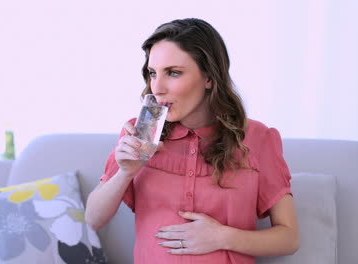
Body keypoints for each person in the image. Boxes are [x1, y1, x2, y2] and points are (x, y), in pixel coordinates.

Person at [86, 18, 300, 263]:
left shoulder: (258, 138)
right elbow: (93, 218)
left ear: (209, 77)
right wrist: (125, 173)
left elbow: (289, 238)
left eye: (173, 73)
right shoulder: (140, 133)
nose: (157, 87)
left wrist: (222, 237)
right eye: (153, 73)